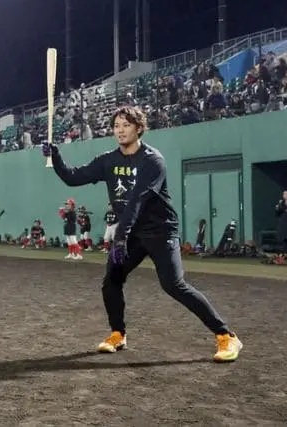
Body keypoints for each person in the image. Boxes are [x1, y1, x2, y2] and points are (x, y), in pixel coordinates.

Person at [41, 105, 242, 362]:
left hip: (160, 231)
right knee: (112, 281)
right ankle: (118, 334)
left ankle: (226, 336)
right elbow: (73, 177)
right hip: (132, 233)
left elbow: (137, 200)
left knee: (173, 285)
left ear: (139, 128)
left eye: (126, 125)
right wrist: (56, 157)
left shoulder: (152, 160)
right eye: (116, 126)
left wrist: (120, 237)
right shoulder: (108, 160)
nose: (120, 130)